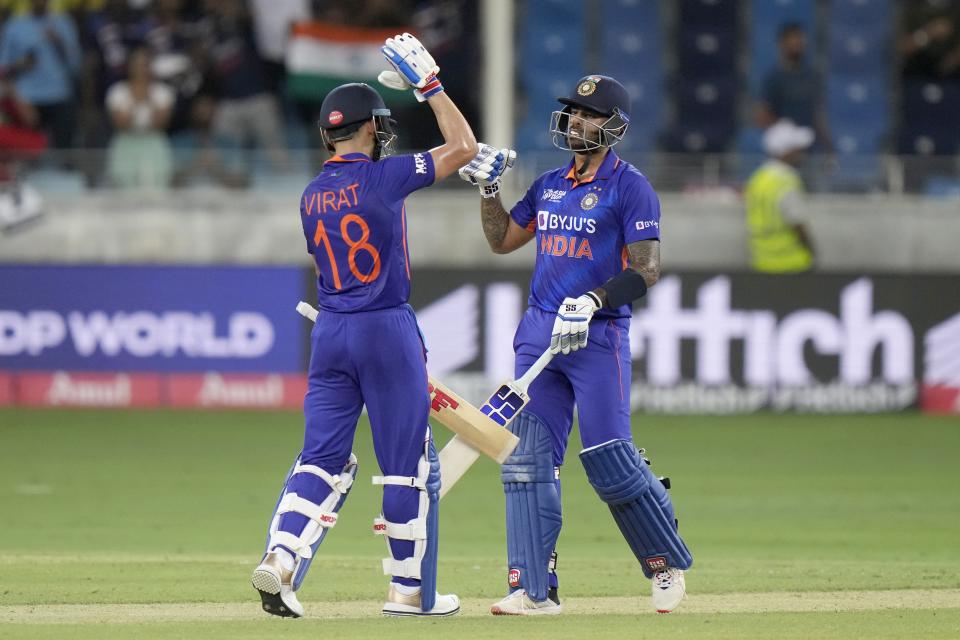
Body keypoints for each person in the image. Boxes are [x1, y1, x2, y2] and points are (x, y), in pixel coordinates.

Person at [251, 32, 476, 618]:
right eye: (381, 125)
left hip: (330, 331)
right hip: (385, 328)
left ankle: (280, 558)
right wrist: (431, 85)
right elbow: (463, 145)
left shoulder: (309, 195)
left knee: (321, 459)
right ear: (371, 129)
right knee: (406, 464)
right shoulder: (384, 178)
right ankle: (407, 591)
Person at [458, 74, 693, 615]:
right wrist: (488, 190)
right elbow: (501, 241)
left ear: (614, 127)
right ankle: (533, 590)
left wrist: (593, 300)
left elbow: (648, 269)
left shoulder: (631, 186)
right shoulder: (548, 183)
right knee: (526, 462)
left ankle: (664, 562)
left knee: (609, 459)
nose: (577, 122)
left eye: (589, 115)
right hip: (539, 335)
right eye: (573, 113)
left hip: (597, 334)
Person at [744, 119, 816, 273]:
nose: (801, 153)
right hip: (791, 264)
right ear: (785, 152)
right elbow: (797, 224)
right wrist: (812, 252)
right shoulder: (787, 181)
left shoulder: (758, 178)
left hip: (761, 262)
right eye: (796, 149)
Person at [756, 22, 833, 155]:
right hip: (784, 149)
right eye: (793, 41)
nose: (798, 45)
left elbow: (817, 114)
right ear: (782, 44)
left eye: (800, 41)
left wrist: (828, 146)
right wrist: (784, 132)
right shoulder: (774, 77)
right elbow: (762, 115)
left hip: (809, 147)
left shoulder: (812, 76)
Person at [105, 46, 174, 189]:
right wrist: (135, 98)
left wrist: (148, 96)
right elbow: (122, 124)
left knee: (157, 185)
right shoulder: (117, 91)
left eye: (145, 64)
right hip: (126, 143)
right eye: (137, 65)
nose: (141, 69)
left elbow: (160, 124)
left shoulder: (162, 91)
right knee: (124, 185)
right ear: (130, 67)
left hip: (154, 142)